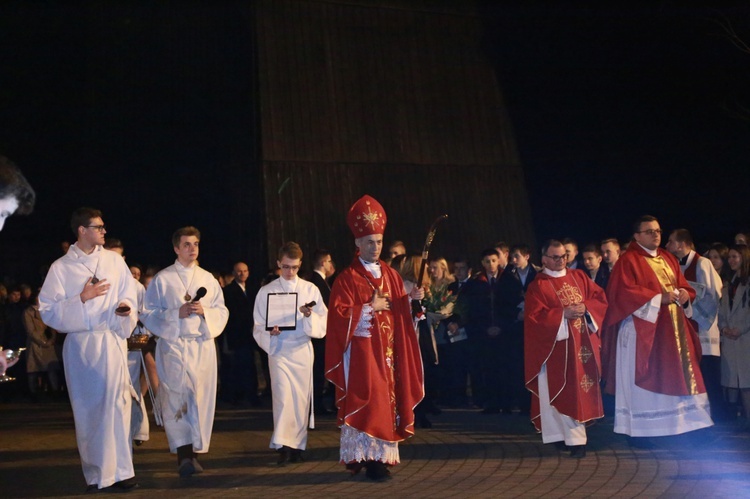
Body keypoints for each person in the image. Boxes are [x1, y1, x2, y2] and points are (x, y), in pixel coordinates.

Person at [38, 207, 139, 492]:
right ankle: (97, 474)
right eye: (99, 227)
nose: (104, 231)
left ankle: (123, 471)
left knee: (117, 406)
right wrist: (81, 298)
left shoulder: (114, 261)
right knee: (89, 410)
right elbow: (47, 310)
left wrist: (125, 309)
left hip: (110, 340)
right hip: (82, 346)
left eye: (104, 227)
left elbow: (128, 293)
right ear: (82, 230)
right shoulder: (61, 267)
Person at [325, 195, 424, 481]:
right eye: (370, 242)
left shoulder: (391, 275)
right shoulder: (347, 278)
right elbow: (339, 315)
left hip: (389, 353)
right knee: (370, 402)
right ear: (358, 244)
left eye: (379, 241)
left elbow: (399, 308)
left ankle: (380, 457)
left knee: (387, 402)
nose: (376, 247)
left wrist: (412, 302)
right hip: (362, 354)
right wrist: (368, 308)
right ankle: (367, 460)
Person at [602, 215, 713, 440]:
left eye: (658, 231)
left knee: (678, 374)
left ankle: (681, 427)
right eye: (649, 231)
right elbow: (622, 294)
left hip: (673, 329)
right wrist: (656, 298)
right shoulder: (628, 260)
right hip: (642, 329)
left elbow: (682, 285)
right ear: (637, 236)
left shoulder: (668, 257)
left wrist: (685, 294)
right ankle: (646, 431)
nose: (656, 235)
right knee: (648, 375)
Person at [140, 226, 228, 477]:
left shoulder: (208, 279)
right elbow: (148, 313)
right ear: (176, 248)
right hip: (174, 346)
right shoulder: (163, 279)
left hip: (201, 345)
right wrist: (174, 314)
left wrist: (205, 313)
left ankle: (196, 452)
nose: (192, 249)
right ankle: (183, 455)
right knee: (177, 398)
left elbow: (221, 311)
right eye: (187, 244)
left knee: (199, 398)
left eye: (196, 244)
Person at [525, 240, 608, 458]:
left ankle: (576, 441)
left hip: (582, 347)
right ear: (544, 260)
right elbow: (534, 318)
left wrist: (586, 308)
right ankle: (558, 437)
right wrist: (562, 314)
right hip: (556, 351)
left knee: (578, 392)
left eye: (564, 256)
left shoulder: (578, 276)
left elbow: (599, 297)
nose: (561, 260)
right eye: (555, 257)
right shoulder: (538, 286)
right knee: (558, 391)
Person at [253, 242, 327, 464]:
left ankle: (297, 446)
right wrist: (270, 332)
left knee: (300, 399)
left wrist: (308, 316)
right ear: (278, 264)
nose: (290, 272)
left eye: (294, 267)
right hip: (280, 350)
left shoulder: (310, 289)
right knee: (284, 397)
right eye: (285, 267)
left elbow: (323, 321)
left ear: (300, 265)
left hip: (302, 349)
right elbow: (258, 325)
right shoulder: (267, 291)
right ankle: (284, 446)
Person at [666, 229, 725, 420]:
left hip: (704, 329)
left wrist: (690, 304)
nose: (667, 246)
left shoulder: (702, 263)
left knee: (708, 376)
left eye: (671, 242)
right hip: (686, 329)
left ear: (682, 244)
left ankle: (715, 417)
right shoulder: (674, 264)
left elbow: (714, 295)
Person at [221, 261, 261, 407]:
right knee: (240, 365)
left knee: (251, 365)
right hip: (238, 335)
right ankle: (240, 395)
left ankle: (252, 394)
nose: (242, 273)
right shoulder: (228, 291)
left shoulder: (253, 289)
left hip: (252, 334)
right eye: (239, 271)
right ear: (234, 273)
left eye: (244, 271)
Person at [718, 244, 750, 429]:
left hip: (745, 339)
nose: (731, 261)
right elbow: (721, 312)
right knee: (735, 383)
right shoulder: (728, 284)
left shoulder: (746, 283)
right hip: (731, 338)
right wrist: (723, 328)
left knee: (746, 384)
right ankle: (742, 420)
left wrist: (741, 329)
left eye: (735, 257)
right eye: (729, 257)